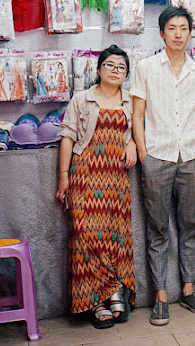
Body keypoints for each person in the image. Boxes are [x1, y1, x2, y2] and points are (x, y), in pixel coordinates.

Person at [131, 6, 195, 326]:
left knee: (189, 225)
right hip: (157, 157)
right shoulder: (147, 68)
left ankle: (189, 290)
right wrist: (143, 153)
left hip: (192, 157)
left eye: (184, 28)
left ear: (190, 33)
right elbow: (137, 114)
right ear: (162, 32)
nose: (178, 33)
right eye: (172, 28)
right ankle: (161, 296)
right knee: (158, 229)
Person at [56, 45, 137, 329]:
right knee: (86, 236)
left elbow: (138, 132)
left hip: (116, 178)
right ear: (99, 69)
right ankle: (94, 301)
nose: (115, 71)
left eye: (121, 67)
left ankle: (116, 290)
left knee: (114, 235)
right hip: (86, 174)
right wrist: (63, 176)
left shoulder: (131, 101)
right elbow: (67, 137)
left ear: (126, 74)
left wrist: (133, 143)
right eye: (110, 65)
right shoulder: (82, 99)